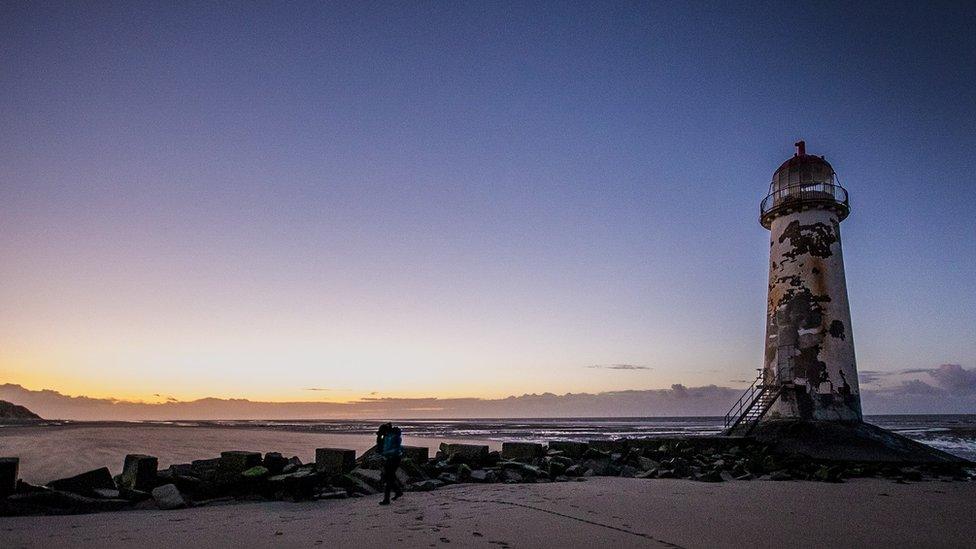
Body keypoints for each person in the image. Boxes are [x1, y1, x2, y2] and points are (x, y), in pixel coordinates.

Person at [375, 422, 404, 505]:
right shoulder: (387, 437)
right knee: (389, 477)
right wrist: (379, 437)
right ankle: (398, 491)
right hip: (390, 458)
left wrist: (386, 453)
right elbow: (380, 447)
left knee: (389, 479)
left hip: (394, 459)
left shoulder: (395, 437)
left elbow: (397, 449)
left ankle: (386, 499)